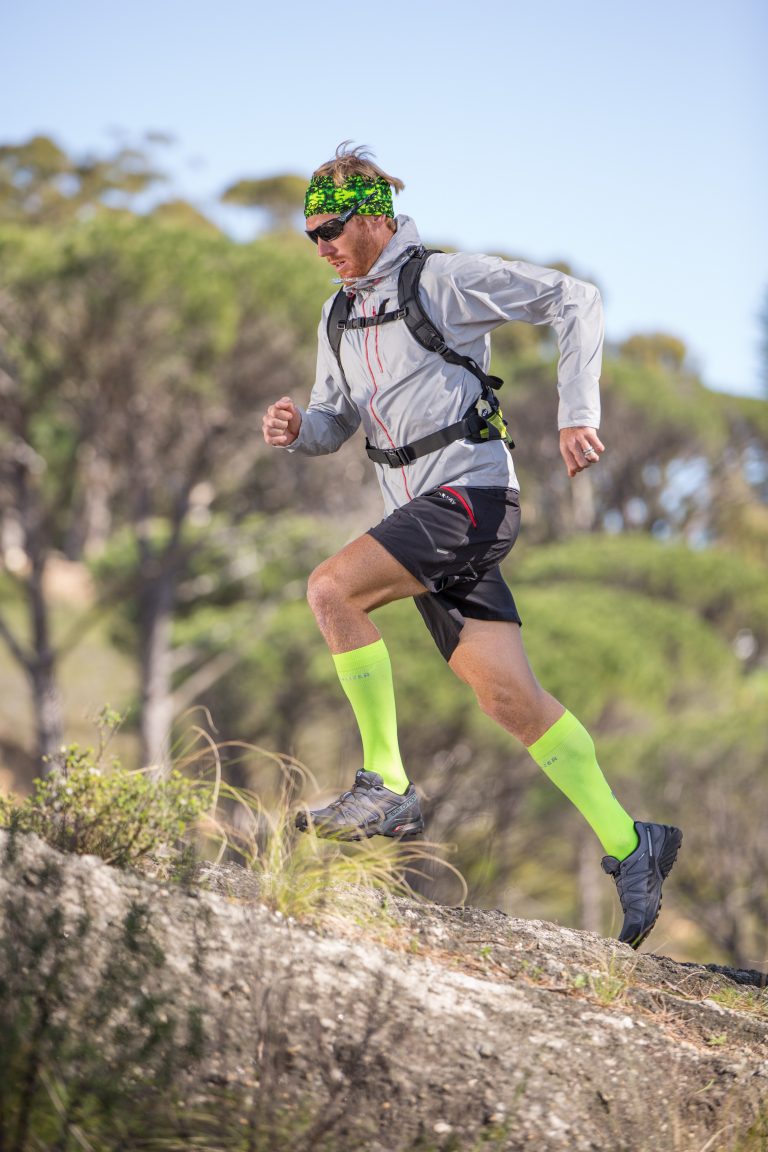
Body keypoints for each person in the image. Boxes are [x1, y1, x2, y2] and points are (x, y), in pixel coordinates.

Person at [262, 142, 681, 949]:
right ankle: (635, 843)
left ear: (375, 219)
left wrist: (577, 414)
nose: (321, 246)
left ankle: (386, 784)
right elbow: (334, 420)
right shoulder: (337, 315)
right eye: (310, 234)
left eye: (331, 229)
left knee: (331, 589)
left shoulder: (443, 282)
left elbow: (576, 299)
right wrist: (295, 430)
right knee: (508, 699)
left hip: (472, 499)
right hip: (421, 515)